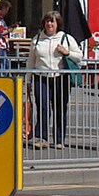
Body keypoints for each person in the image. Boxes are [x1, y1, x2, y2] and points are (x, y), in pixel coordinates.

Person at [28, 10, 83, 148]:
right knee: (42, 107)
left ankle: (59, 139)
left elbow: (79, 56)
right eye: (47, 21)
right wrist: (28, 80)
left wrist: (67, 52)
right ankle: (42, 138)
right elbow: (31, 61)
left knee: (60, 108)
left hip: (60, 78)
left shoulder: (66, 38)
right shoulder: (37, 39)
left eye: (52, 21)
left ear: (58, 23)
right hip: (41, 77)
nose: (49, 24)